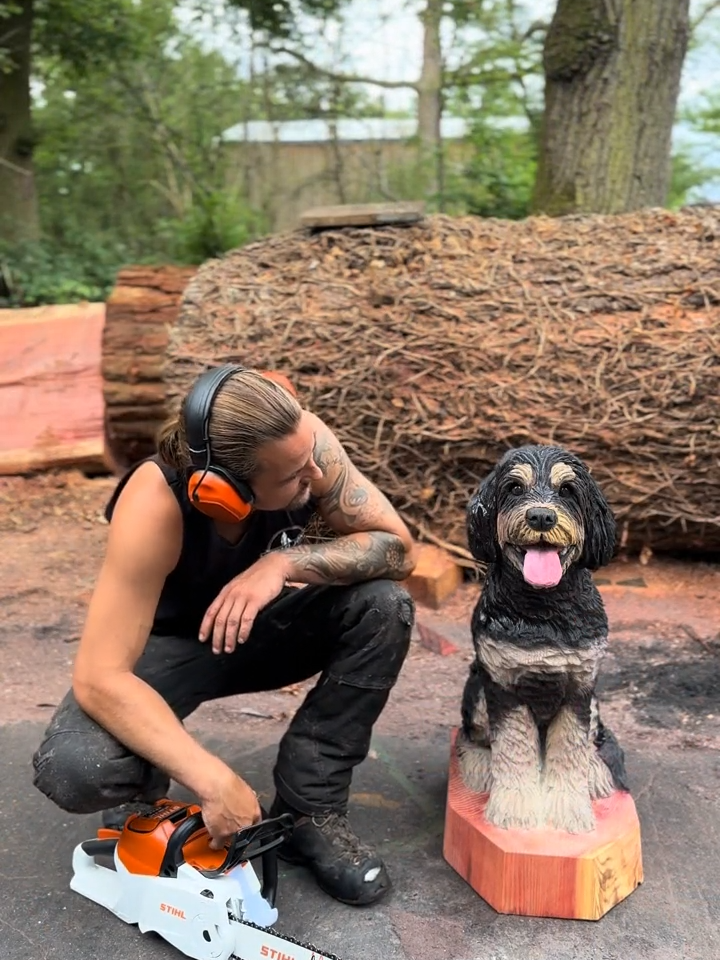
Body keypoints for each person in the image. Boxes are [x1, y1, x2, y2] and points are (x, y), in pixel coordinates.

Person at [32, 364, 417, 907]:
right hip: (174, 648)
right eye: (293, 476)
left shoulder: (301, 442)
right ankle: (149, 802)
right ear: (224, 491)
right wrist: (211, 779)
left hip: (273, 628)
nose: (315, 471)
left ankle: (311, 809)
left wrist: (283, 563)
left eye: (310, 455)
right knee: (78, 769)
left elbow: (397, 549)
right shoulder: (155, 500)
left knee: (385, 605)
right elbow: (100, 676)